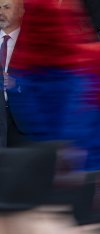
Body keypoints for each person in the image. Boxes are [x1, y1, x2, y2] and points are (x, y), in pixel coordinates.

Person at [0, 0, 24, 146]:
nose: (1, 12)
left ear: (22, 11)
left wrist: (19, 85)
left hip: (22, 126)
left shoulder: (32, 43)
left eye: (7, 7)